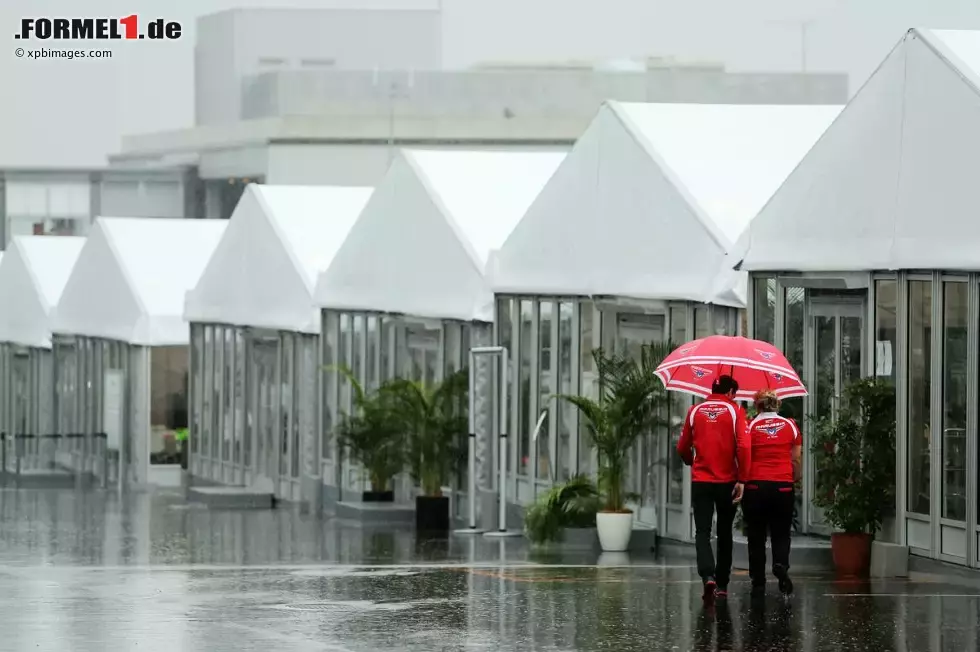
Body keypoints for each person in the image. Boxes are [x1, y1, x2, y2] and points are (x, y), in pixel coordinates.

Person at [677, 375, 751, 603]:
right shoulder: (734, 411)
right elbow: (744, 445)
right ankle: (722, 584)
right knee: (725, 532)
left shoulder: (694, 411)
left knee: (702, 531)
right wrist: (742, 478)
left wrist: (691, 460)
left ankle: (707, 575)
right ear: (730, 393)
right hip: (726, 482)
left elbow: (682, 447)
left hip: (701, 481)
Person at [742, 389, 802, 598]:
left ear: (757, 405)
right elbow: (796, 459)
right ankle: (780, 565)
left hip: (755, 487)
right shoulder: (790, 426)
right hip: (783, 486)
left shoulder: (750, 426)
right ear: (777, 404)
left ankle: (758, 580)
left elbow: (743, 455)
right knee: (781, 532)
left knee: (756, 535)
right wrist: (794, 479)